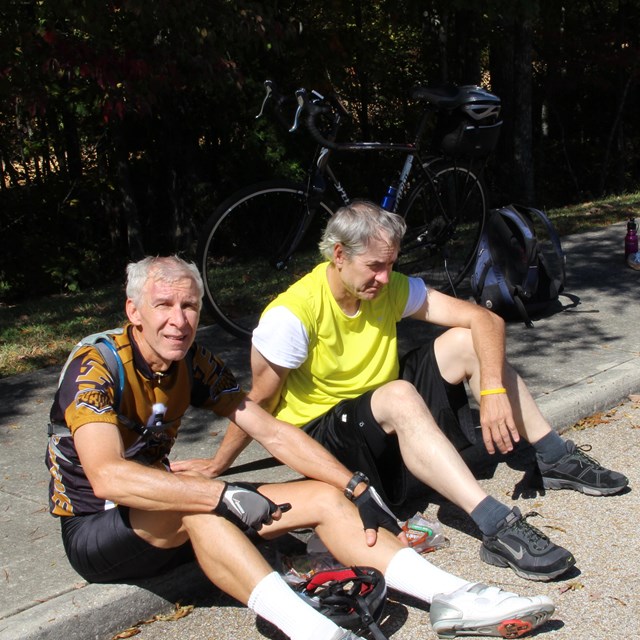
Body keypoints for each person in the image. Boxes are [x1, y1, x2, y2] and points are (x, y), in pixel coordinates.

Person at [45, 256, 556, 640]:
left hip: (167, 510)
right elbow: (108, 476)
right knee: (197, 502)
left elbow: (270, 430)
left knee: (327, 499)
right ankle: (312, 632)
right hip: (99, 530)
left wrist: (352, 485)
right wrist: (218, 495)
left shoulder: (192, 362)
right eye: (162, 305)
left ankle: (451, 596)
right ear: (133, 310)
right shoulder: (96, 364)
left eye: (189, 305)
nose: (178, 320)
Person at [208, 200, 629, 583]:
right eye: (374, 266)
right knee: (399, 393)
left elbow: (486, 320)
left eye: (390, 264)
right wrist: (217, 465)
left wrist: (494, 390)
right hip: (331, 440)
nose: (385, 277)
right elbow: (257, 402)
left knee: (466, 342)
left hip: (384, 413)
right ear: (338, 255)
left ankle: (553, 455)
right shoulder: (291, 315)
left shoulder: (384, 287)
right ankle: (495, 523)